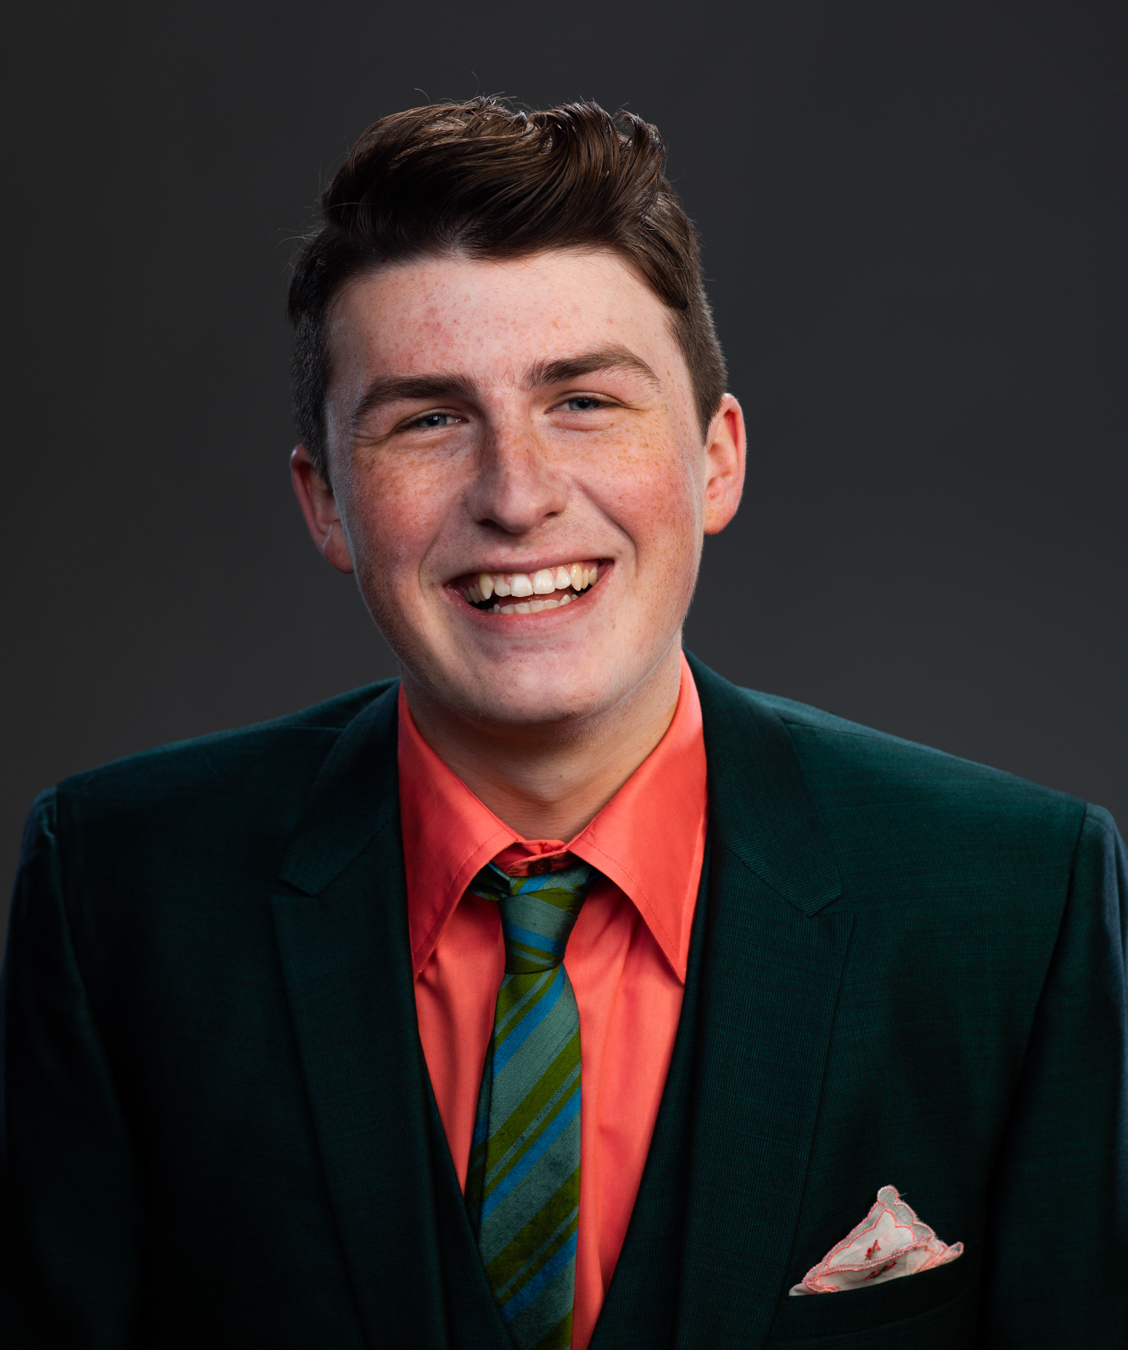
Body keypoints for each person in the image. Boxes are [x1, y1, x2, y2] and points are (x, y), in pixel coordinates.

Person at [1, 98, 1124, 1350]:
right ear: (326, 505)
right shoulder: (118, 894)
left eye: (584, 401)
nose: (518, 496)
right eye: (428, 418)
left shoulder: (1018, 901)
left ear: (717, 459)